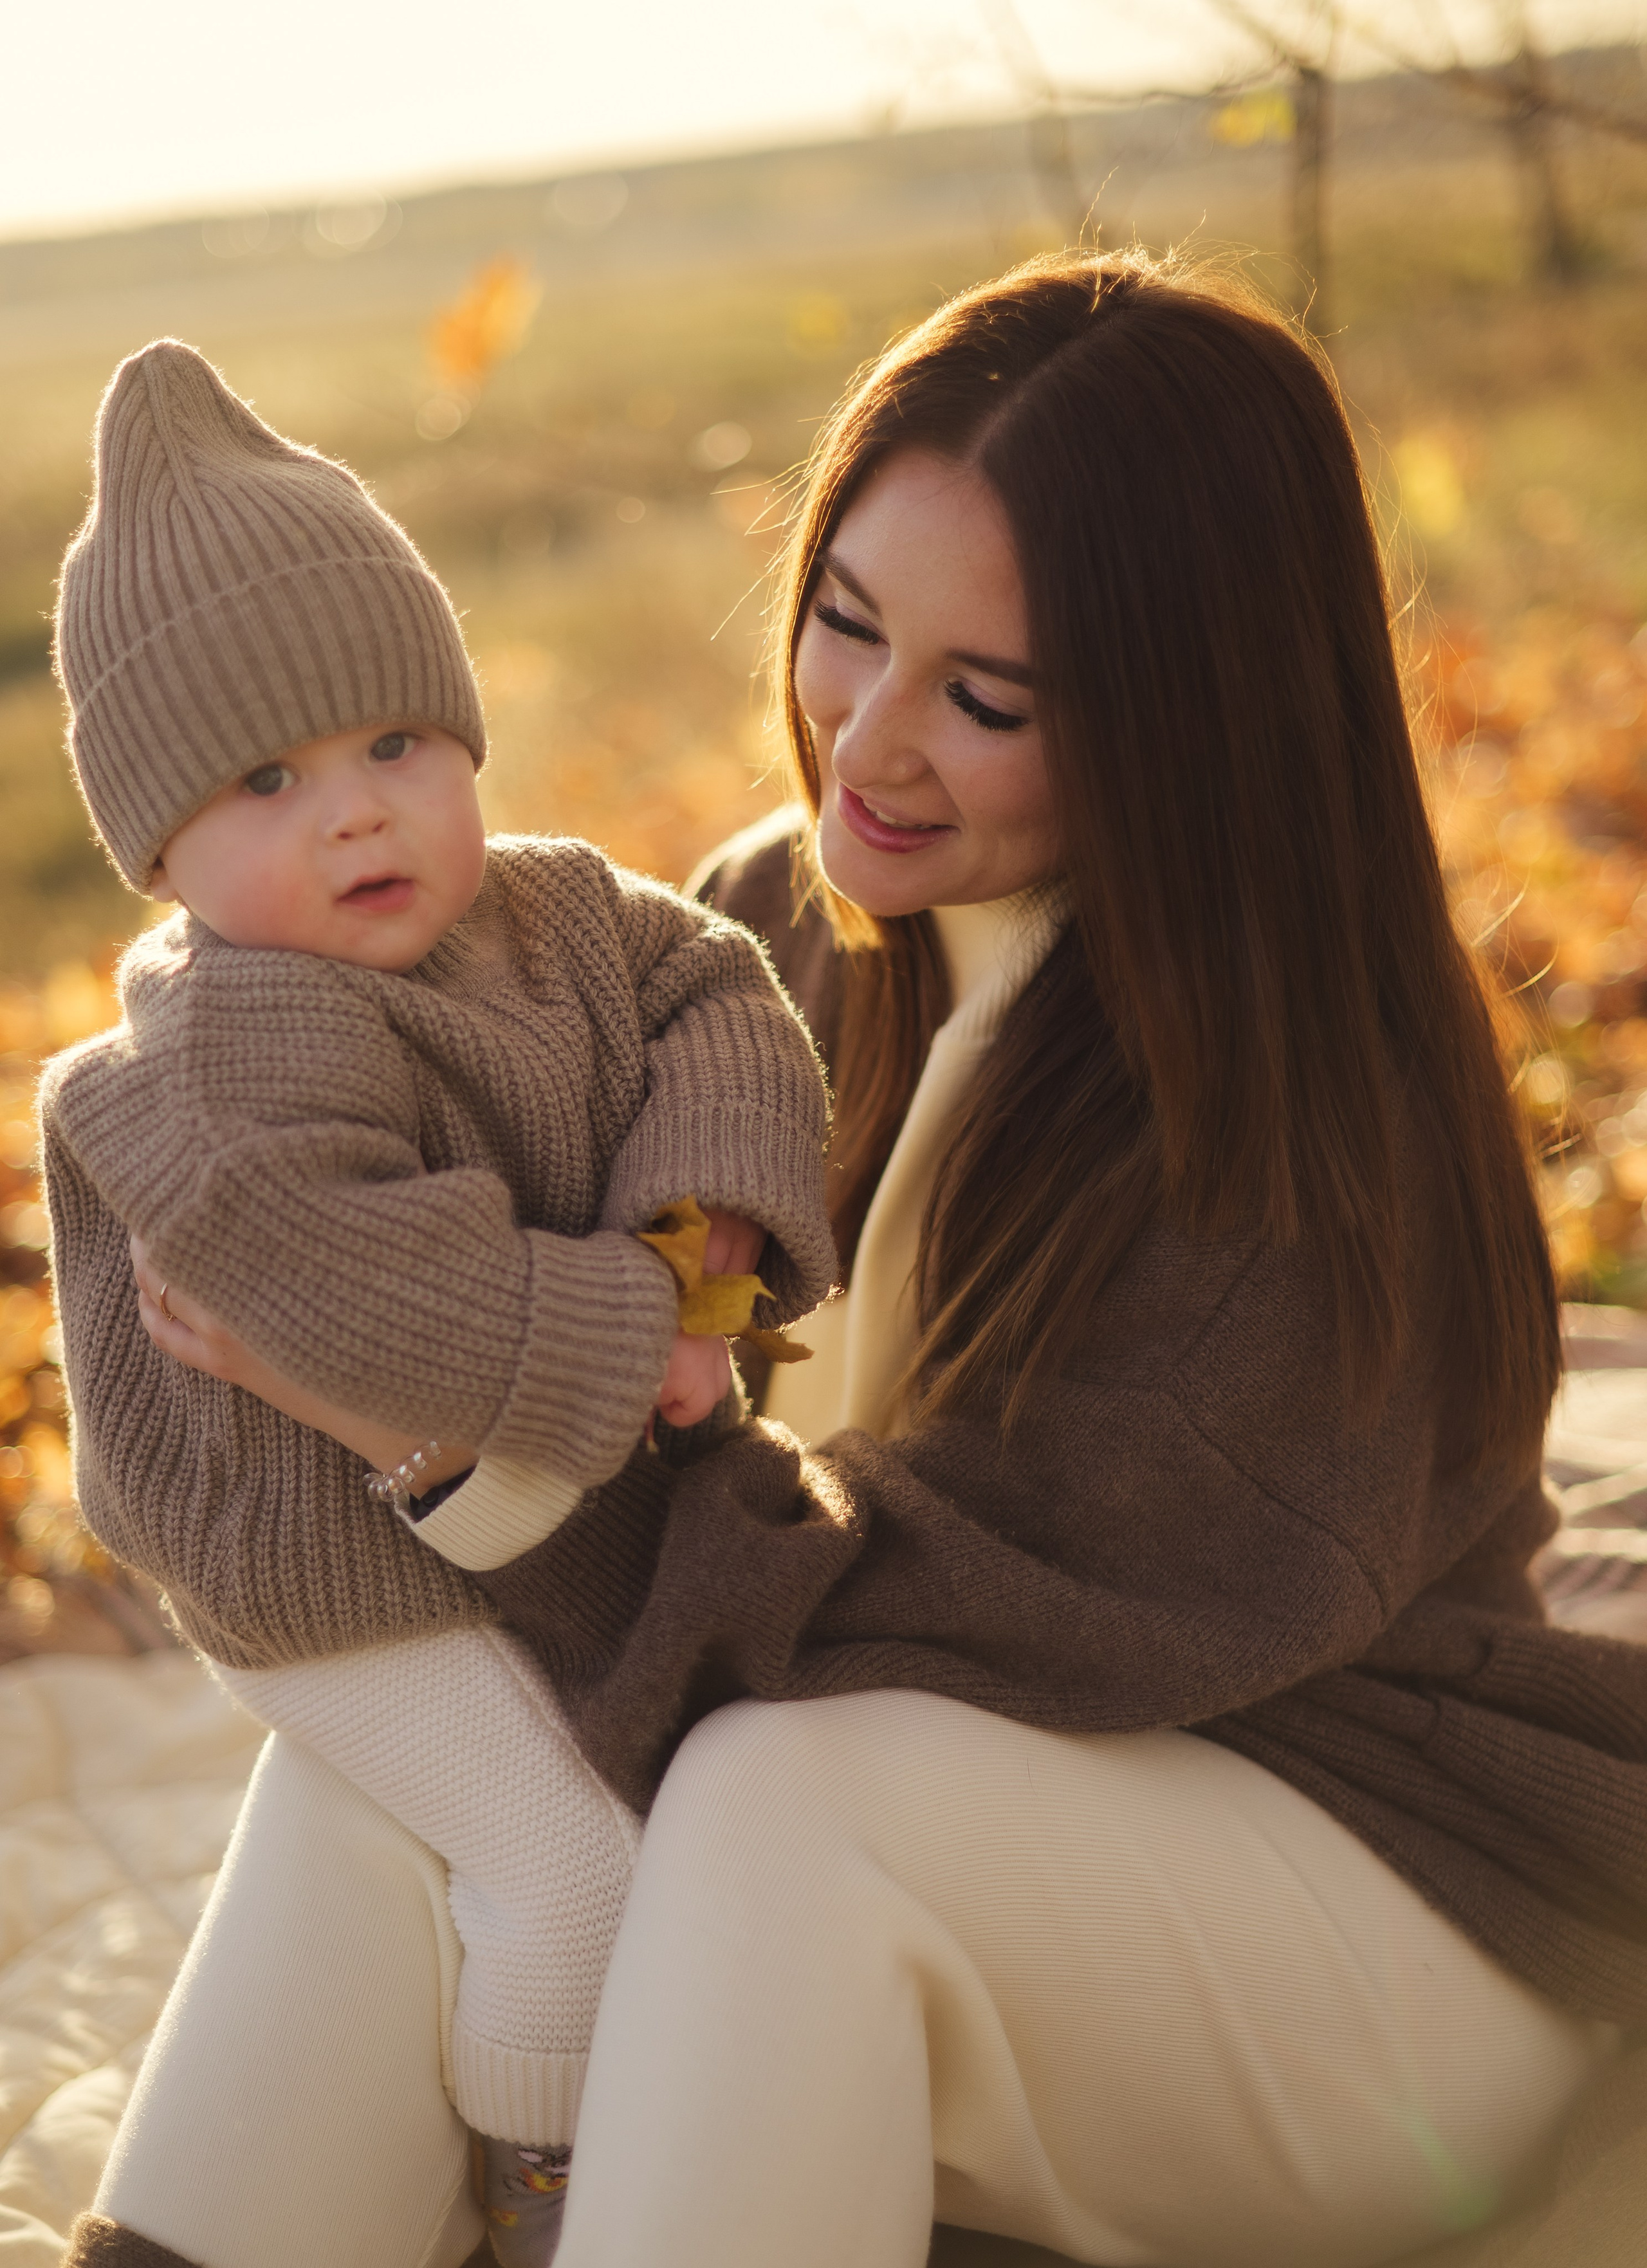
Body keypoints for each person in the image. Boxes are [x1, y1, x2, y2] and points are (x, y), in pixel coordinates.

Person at [66, 252, 1647, 2268]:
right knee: (412, 1751)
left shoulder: (1307, 1124)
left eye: (984, 699)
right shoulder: (749, 935)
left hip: (1362, 1884)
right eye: (846, 624)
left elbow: (934, 1625)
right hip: (894, 1784)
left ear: (1195, 718)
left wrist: (437, 1410)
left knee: (782, 1803)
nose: (867, 745)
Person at [43, 341, 832, 2267]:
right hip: (328, 1574)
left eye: (399, 744)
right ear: (159, 854)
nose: (355, 814)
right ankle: (547, 2205)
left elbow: (720, 990)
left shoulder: (558, 912)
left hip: (519, 1505)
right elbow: (346, 1284)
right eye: (269, 779)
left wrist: (690, 1238)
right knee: (568, 1861)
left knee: (680, 1770)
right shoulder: (221, 1046)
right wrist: (609, 1339)